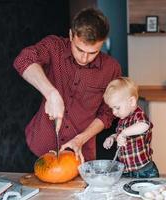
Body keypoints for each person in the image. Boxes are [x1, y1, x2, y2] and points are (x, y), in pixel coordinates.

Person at [13, 7, 122, 163]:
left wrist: (81, 139)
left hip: (81, 154)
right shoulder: (54, 47)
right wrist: (51, 93)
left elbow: (107, 114)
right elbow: (23, 60)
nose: (84, 58)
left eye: (93, 52)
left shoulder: (111, 68)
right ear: (71, 34)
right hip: (40, 147)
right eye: (79, 49)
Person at [103, 77, 159, 178]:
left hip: (143, 170)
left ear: (132, 102)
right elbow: (120, 134)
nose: (114, 112)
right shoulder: (122, 119)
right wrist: (113, 137)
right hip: (127, 170)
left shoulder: (138, 115)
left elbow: (144, 125)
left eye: (117, 107)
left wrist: (124, 133)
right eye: (112, 108)